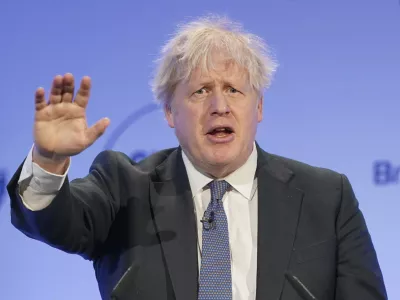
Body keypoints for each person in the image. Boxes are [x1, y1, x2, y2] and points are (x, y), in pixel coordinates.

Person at [7, 15, 387, 300]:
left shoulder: (326, 197)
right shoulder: (124, 187)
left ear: (258, 108)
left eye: (234, 90)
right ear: (170, 113)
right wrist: (48, 160)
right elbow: (56, 224)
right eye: (201, 91)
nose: (220, 106)